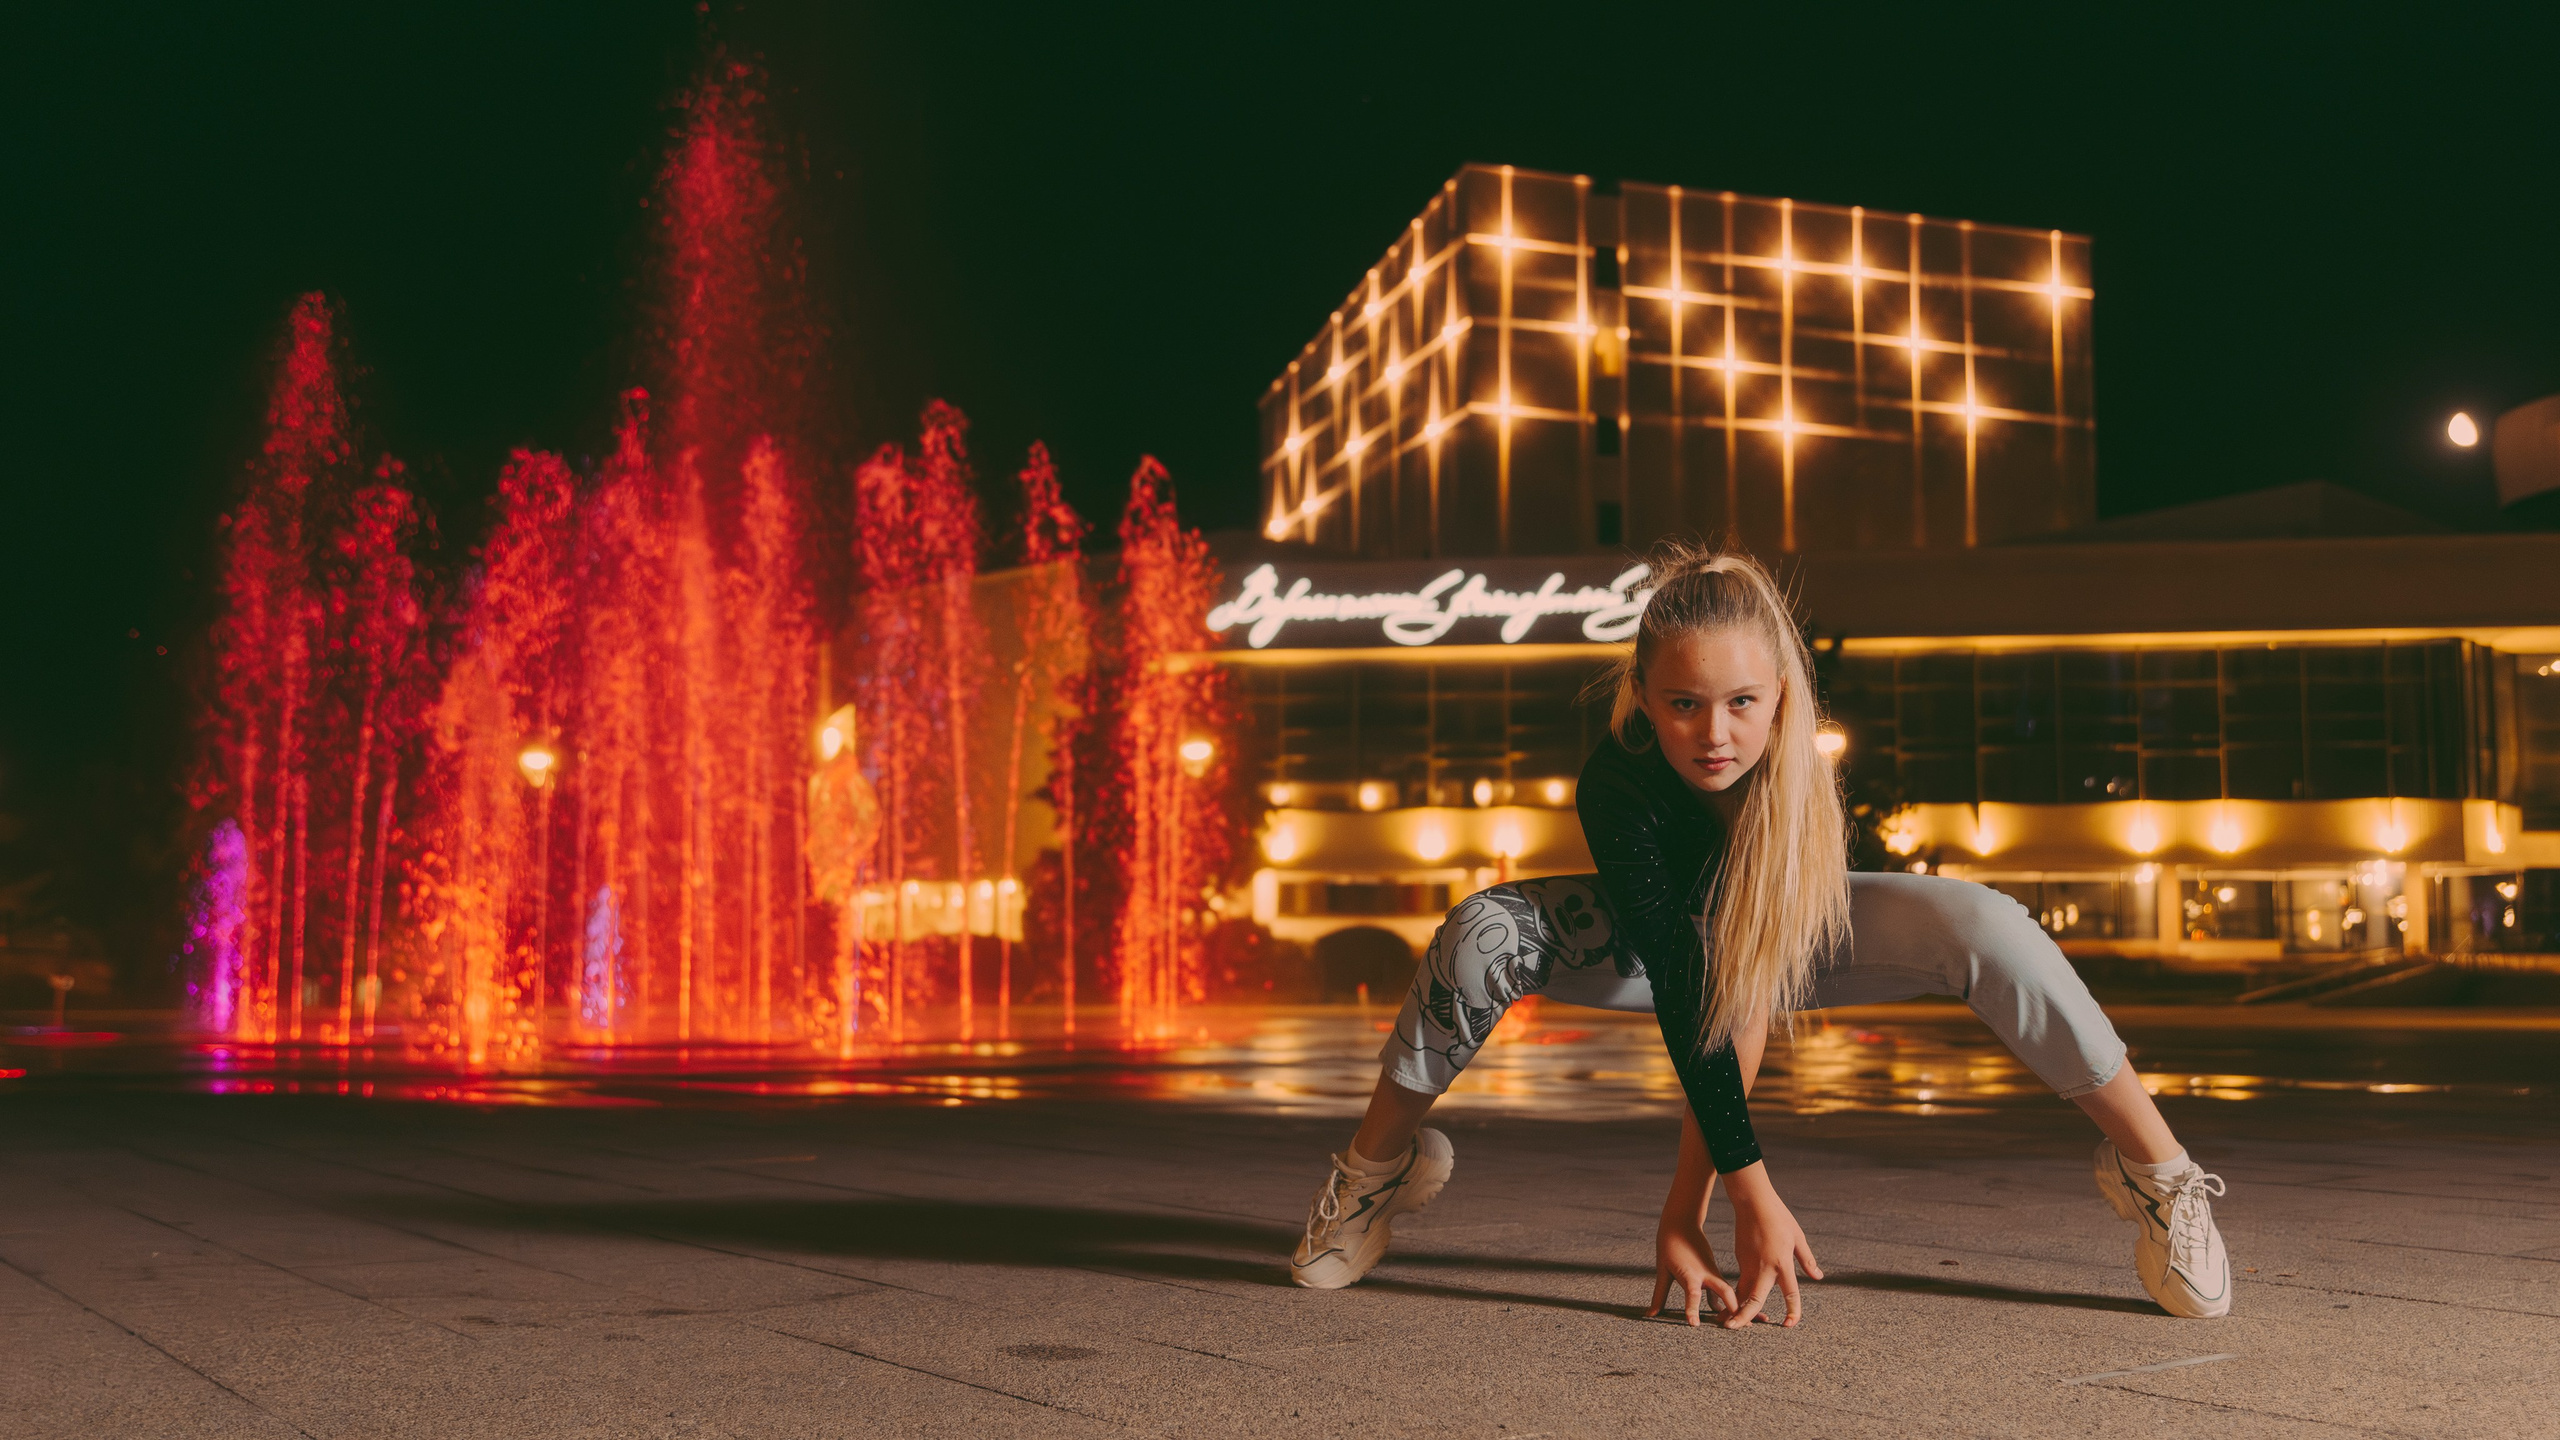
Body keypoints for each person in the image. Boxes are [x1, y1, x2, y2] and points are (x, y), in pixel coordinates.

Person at [1287, 544, 2230, 1326]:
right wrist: (1718, 1198)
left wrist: (1703, 1200)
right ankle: (1375, 1175)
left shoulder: (1792, 776)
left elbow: (1752, 966)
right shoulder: (1619, 783)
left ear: (1781, 693)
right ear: (1644, 695)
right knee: (1481, 928)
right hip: (1667, 955)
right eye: (1684, 704)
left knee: (1985, 918)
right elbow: (1691, 971)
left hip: (1804, 933)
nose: (1714, 735)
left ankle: (2162, 1176)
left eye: (1742, 701)